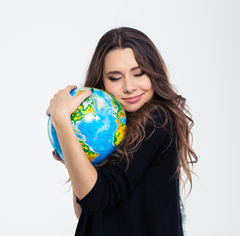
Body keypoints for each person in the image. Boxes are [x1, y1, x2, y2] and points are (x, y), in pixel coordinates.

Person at [46, 27, 197, 236]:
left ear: (154, 73)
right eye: (115, 78)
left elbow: (94, 198)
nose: (129, 87)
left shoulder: (158, 121)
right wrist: (79, 159)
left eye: (139, 73)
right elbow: (86, 212)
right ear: (102, 83)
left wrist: (61, 119)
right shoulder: (109, 127)